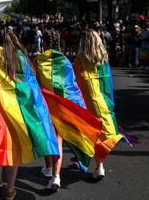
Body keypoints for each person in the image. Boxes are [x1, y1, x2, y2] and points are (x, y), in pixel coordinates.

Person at [0, 29, 59, 200]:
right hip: (19, 110)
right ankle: (10, 188)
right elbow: (32, 87)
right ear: (16, 40)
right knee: (14, 146)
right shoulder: (21, 58)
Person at [34, 29, 102, 191]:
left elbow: (34, 85)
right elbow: (72, 86)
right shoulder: (64, 60)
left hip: (48, 106)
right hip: (65, 106)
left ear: (44, 43)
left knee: (52, 139)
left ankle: (52, 171)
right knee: (68, 138)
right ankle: (59, 174)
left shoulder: (39, 60)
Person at [73, 29, 125, 179]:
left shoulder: (79, 61)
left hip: (85, 104)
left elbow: (74, 84)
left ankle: (90, 162)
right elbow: (107, 83)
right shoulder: (104, 59)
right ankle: (99, 166)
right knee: (100, 135)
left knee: (85, 134)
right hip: (102, 103)